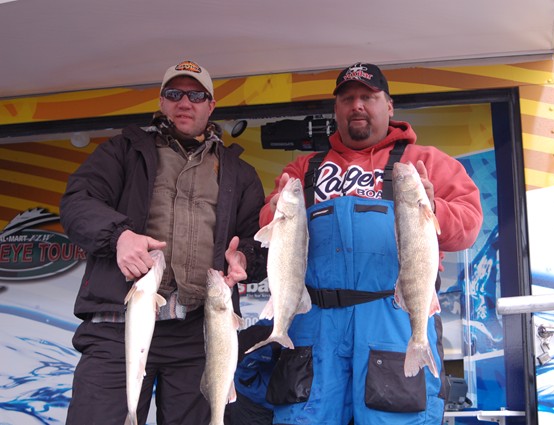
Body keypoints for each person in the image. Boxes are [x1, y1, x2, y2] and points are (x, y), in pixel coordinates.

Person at [260, 62, 483, 424]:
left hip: (394, 320)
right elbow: (270, 228)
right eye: (347, 98)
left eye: (368, 96)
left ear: (389, 106)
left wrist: (432, 209)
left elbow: (469, 224)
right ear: (336, 110)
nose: (357, 105)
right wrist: (274, 212)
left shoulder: (424, 162)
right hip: (315, 328)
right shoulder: (304, 169)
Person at [60, 60, 266, 425]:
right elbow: (77, 203)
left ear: (211, 105)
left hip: (198, 333)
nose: (184, 102)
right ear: (161, 101)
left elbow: (256, 243)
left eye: (196, 95)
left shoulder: (239, 172)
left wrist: (244, 259)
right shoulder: (123, 151)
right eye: (174, 94)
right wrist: (119, 236)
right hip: (117, 326)